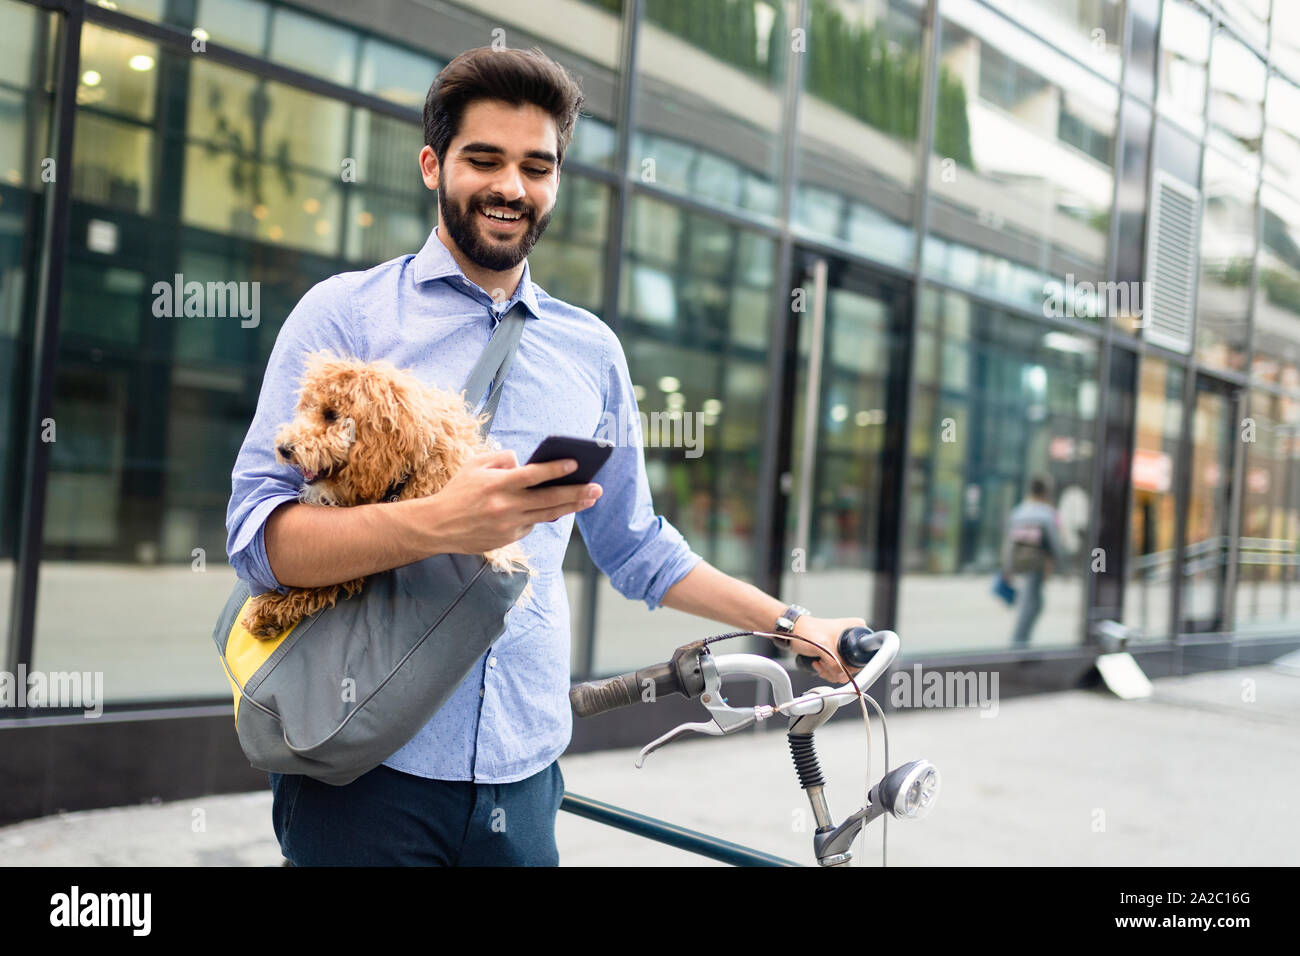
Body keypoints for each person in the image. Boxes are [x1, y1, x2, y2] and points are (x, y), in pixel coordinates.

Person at [224, 46, 863, 867]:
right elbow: (257, 543)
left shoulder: (589, 350)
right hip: (363, 765)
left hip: (523, 772)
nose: (511, 188)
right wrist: (437, 523)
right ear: (432, 165)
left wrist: (792, 624)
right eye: (483, 159)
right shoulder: (344, 316)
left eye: (537, 166)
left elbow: (637, 548)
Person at [1001, 475, 1066, 648]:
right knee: (1032, 603)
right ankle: (1019, 641)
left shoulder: (1019, 511)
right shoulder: (1046, 513)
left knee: (1031, 600)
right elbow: (1055, 543)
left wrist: (1007, 567)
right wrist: (1061, 565)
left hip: (1020, 563)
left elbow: (1009, 542)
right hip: (1036, 563)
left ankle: (1021, 639)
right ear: (1045, 492)